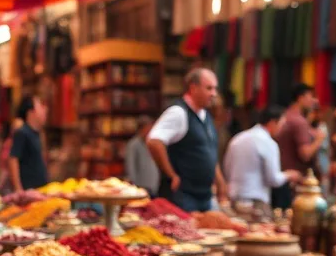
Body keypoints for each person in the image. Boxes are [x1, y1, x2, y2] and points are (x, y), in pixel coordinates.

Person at [147, 67, 227, 211]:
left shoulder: (205, 116)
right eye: (209, 88)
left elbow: (208, 152)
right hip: (182, 196)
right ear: (193, 88)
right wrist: (170, 174)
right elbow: (154, 141)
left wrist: (220, 181)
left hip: (204, 195)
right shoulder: (178, 112)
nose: (213, 94)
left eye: (215, 89)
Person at [222, 106, 302, 221]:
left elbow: (227, 169)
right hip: (256, 204)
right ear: (273, 122)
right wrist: (290, 175)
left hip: (234, 201)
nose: (282, 129)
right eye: (281, 124)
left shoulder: (238, 138)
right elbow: (273, 179)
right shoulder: (268, 142)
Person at [273, 84, 326, 209]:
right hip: (297, 183)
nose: (314, 101)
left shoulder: (285, 117)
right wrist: (319, 140)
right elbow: (305, 154)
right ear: (300, 98)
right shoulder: (299, 122)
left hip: (284, 181)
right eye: (311, 96)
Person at [9, 96, 49, 192]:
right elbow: (13, 159)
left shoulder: (37, 133)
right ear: (30, 112)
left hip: (39, 189)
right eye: (40, 107)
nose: (44, 110)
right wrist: (18, 189)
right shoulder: (22, 133)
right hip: (28, 191)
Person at [125, 114, 161, 195]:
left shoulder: (153, 143)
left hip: (154, 185)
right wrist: (134, 184)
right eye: (148, 128)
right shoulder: (133, 144)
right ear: (141, 129)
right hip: (140, 186)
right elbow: (131, 166)